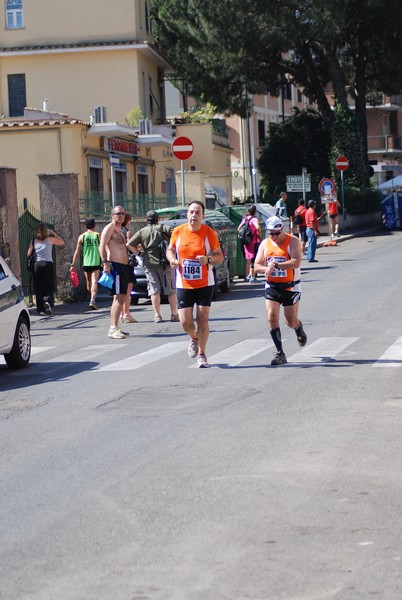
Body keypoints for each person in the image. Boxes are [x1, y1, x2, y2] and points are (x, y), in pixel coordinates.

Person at [166, 201, 223, 368]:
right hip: (184, 283)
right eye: (191, 212)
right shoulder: (178, 231)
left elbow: (219, 256)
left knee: (202, 319)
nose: (194, 215)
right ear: (187, 214)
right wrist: (172, 260)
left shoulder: (209, 233)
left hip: (205, 282)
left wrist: (208, 259)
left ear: (202, 216)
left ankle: (202, 354)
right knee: (185, 322)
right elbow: (170, 249)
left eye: (197, 212)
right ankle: (193, 338)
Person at [254, 215, 307, 366]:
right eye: (271, 233)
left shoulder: (293, 241)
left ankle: (298, 327)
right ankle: (280, 353)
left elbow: (296, 261)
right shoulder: (265, 244)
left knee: (290, 321)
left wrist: (277, 266)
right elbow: (256, 266)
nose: (274, 237)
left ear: (282, 229)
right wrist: (266, 269)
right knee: (272, 316)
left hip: (291, 285)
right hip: (272, 286)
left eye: (276, 233)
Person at [127, 210, 178, 323]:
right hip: (164, 262)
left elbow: (129, 244)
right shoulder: (163, 228)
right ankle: (174, 314)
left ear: (147, 220)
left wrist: (139, 253)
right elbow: (177, 233)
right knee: (170, 289)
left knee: (154, 290)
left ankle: (157, 315)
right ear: (158, 219)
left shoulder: (142, 231)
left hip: (149, 263)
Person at [99, 206, 132, 339]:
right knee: (118, 297)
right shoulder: (109, 228)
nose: (121, 216)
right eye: (118, 214)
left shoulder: (121, 230)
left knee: (122, 297)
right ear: (112, 215)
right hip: (116, 266)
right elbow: (101, 245)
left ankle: (116, 326)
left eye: (123, 213)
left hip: (124, 266)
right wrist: (105, 262)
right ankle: (112, 328)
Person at [27, 223, 65, 316]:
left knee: (39, 287)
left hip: (37, 265)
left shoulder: (33, 241)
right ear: (45, 231)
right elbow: (62, 242)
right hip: (47, 264)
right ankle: (48, 302)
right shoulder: (50, 239)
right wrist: (54, 233)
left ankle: (40, 309)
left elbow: (28, 254)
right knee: (49, 285)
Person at [70, 218, 101, 310]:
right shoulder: (97, 235)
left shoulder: (82, 236)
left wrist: (73, 264)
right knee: (95, 281)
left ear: (85, 226)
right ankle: (93, 299)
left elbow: (77, 251)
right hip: (96, 261)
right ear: (94, 225)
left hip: (86, 262)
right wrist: (104, 260)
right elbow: (101, 248)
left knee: (88, 282)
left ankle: (91, 297)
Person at [120, 212, 138, 323]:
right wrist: (139, 252)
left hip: (118, 261)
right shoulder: (128, 232)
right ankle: (126, 313)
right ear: (128, 220)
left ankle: (122, 313)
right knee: (128, 288)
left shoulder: (117, 231)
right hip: (127, 262)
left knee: (121, 290)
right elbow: (131, 245)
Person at [238, 205, 261, 282]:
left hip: (246, 242)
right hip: (253, 241)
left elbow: (239, 228)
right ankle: (253, 277)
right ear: (255, 211)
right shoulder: (254, 219)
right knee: (254, 260)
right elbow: (257, 227)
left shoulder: (246, 219)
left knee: (248, 260)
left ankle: (246, 277)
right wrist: (258, 234)